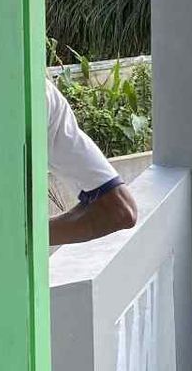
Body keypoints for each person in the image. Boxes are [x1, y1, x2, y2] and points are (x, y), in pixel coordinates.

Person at [47, 77, 139, 245]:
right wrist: (15, 236)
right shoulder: (41, 95)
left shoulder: (42, 97)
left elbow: (119, 211)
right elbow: (118, 211)